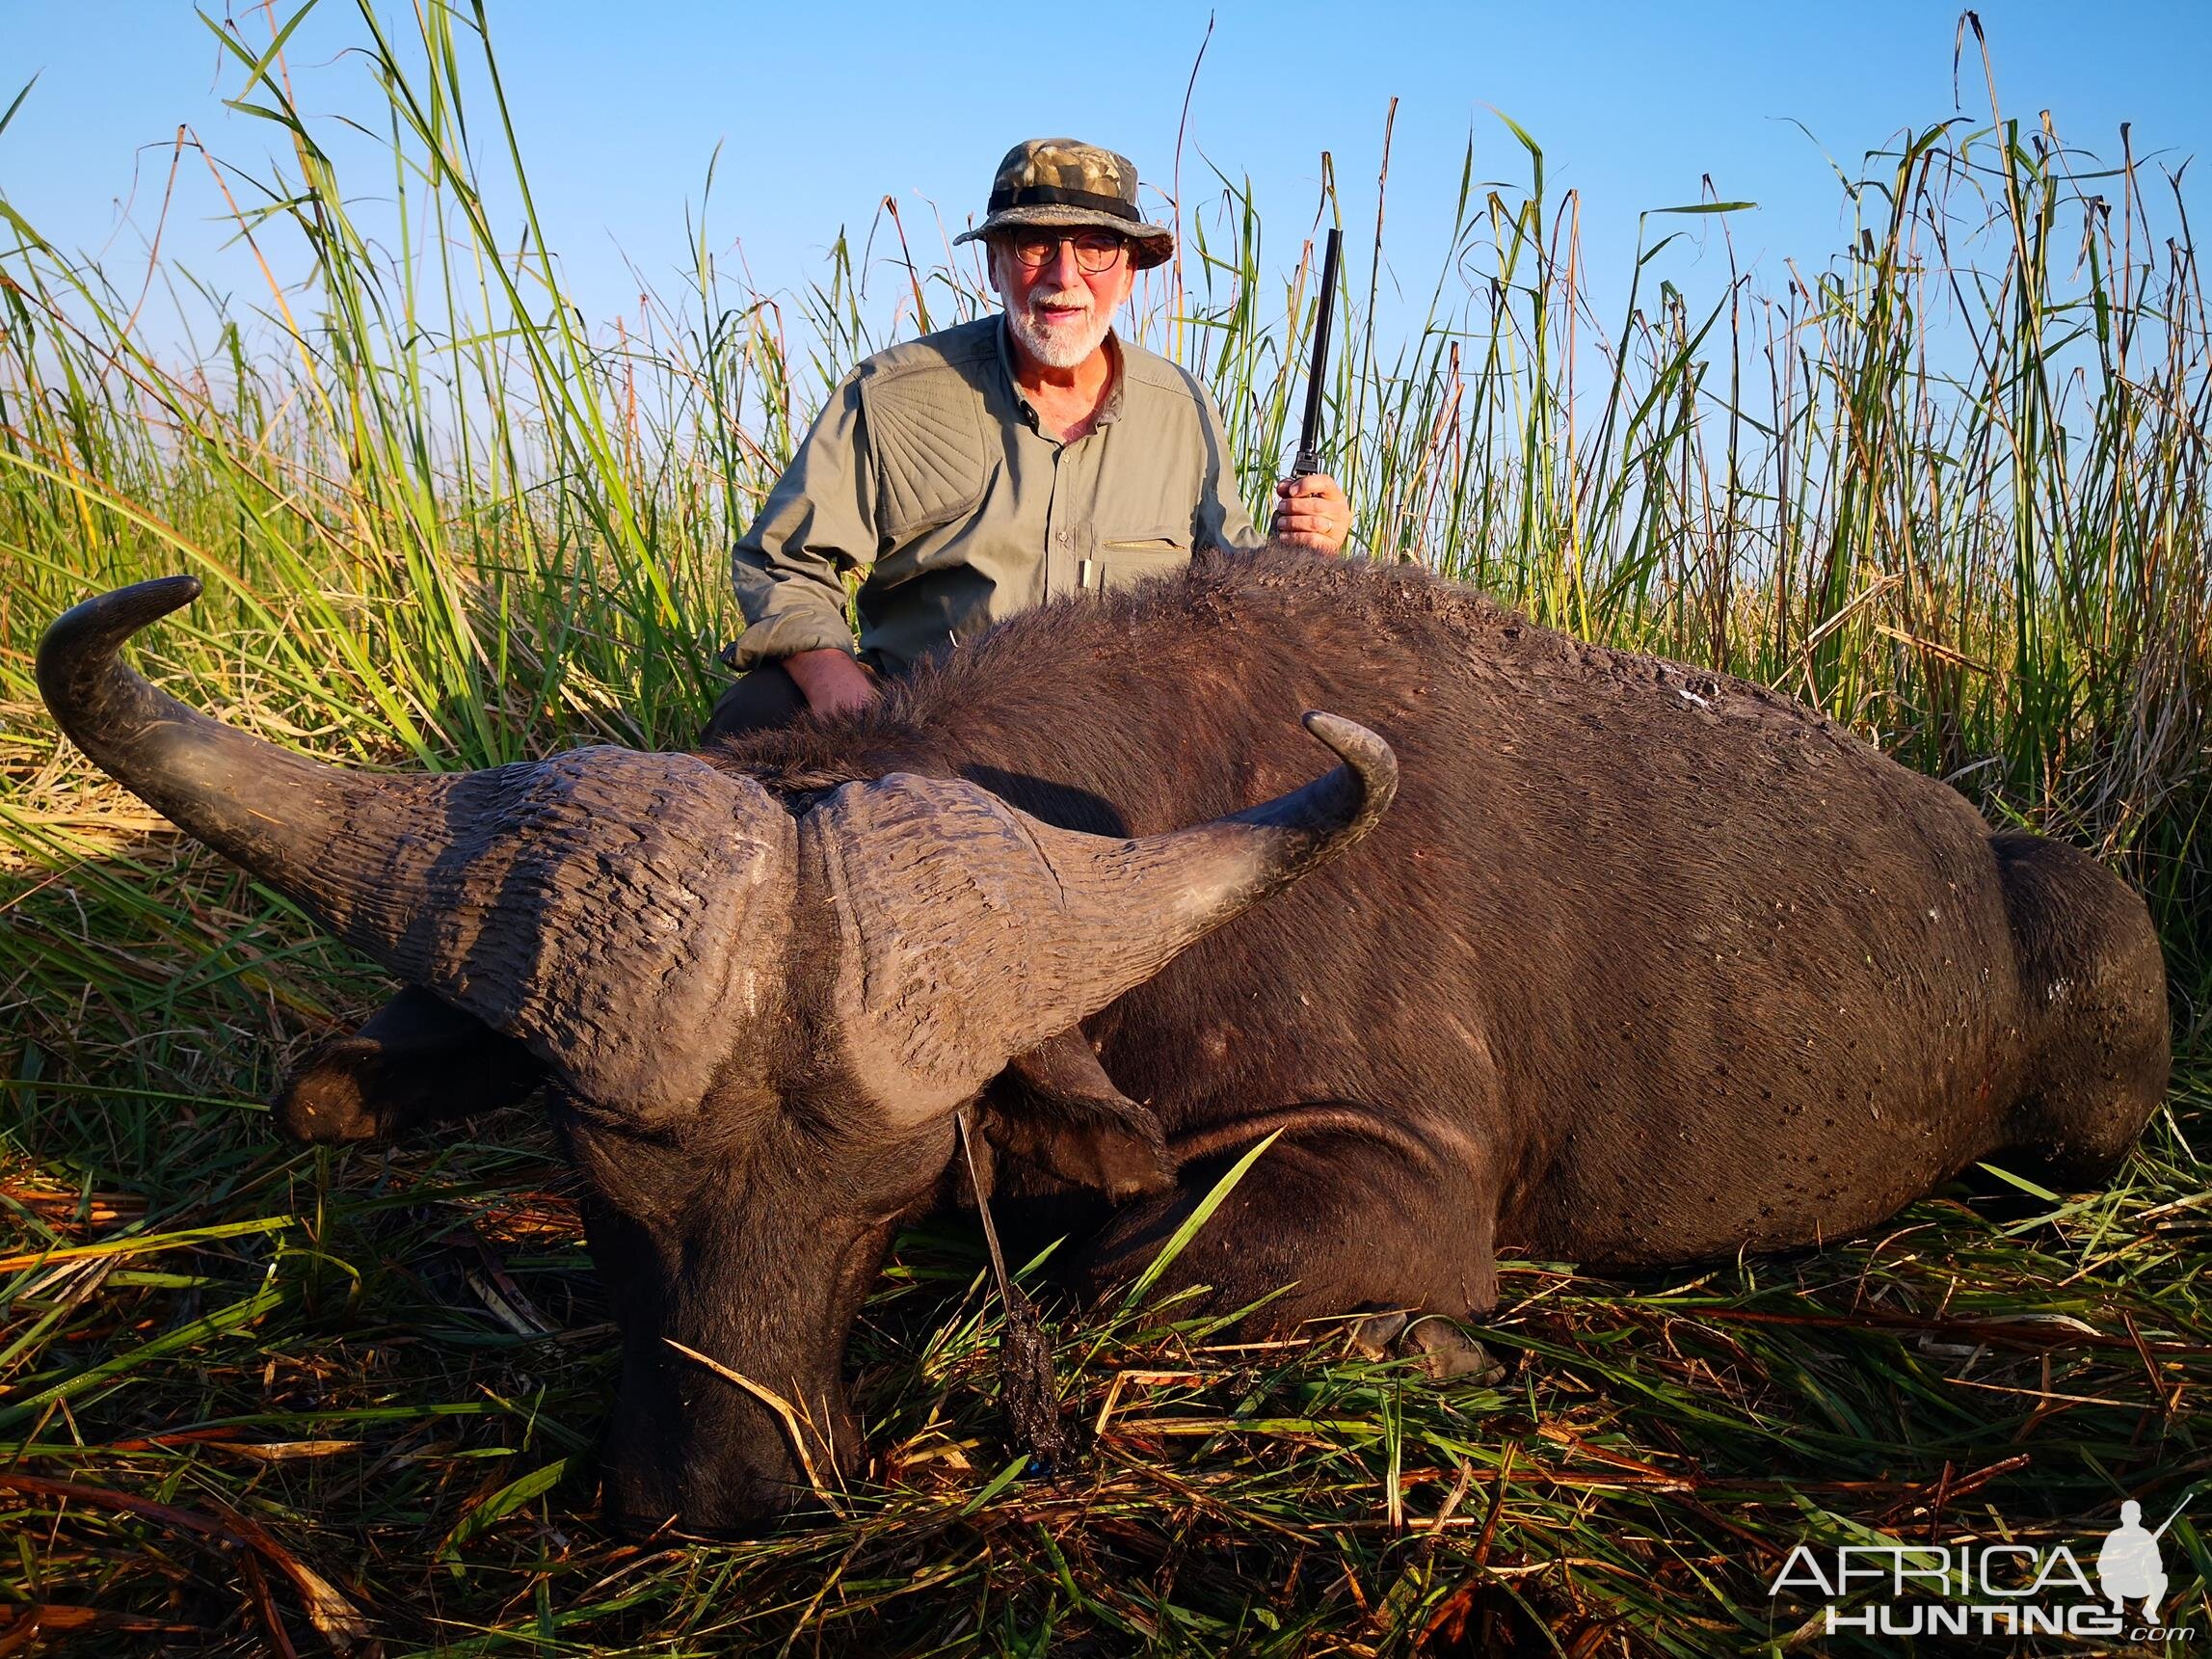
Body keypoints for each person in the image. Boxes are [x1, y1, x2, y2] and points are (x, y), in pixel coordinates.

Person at [703, 137, 1351, 739]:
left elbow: (1230, 591)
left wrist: (1301, 551)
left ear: (1128, 273)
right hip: (924, 726)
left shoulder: (1183, 408)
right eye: (1034, 245)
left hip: (1125, 739)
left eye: (1095, 246)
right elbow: (783, 561)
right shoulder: (891, 393)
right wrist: (848, 701)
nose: (1063, 275)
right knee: (759, 712)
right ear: (994, 264)